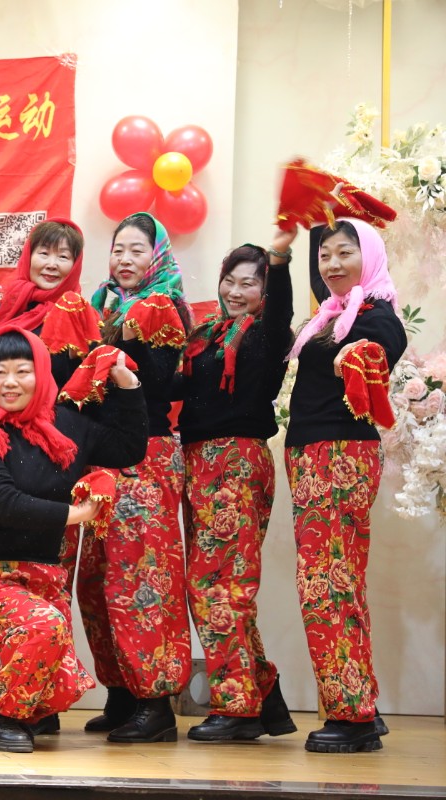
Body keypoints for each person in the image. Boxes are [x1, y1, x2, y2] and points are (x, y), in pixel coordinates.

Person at [0, 326, 146, 753]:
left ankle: (29, 710)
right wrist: (77, 515)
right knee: (45, 627)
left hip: (42, 575)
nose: (10, 382)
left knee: (63, 683)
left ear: (42, 373)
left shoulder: (67, 426)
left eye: (22, 371)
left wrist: (128, 384)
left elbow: (128, 449)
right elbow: (2, 503)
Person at [284, 218, 405, 754]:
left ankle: (351, 717)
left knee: (326, 585)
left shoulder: (375, 315)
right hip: (315, 454)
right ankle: (361, 705)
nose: (332, 264)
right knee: (339, 581)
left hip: (337, 456)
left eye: (344, 253)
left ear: (369, 257)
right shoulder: (333, 315)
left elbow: (383, 346)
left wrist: (357, 355)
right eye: (325, 255)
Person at [77, 212, 192, 743]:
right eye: (118, 249)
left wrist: (129, 344)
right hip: (104, 457)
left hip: (147, 455)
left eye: (137, 250)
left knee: (142, 577)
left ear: (157, 256)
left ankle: (156, 702)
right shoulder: (102, 305)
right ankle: (121, 691)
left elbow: (162, 384)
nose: (125, 259)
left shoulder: (162, 305)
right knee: (98, 579)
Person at [178, 233, 298, 742]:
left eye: (250, 283)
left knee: (219, 587)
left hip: (235, 462)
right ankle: (264, 695)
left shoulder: (267, 335)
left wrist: (280, 259)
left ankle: (238, 707)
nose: (235, 290)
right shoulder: (206, 336)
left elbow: (281, 307)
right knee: (213, 585)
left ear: (264, 292)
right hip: (197, 462)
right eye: (230, 279)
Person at [0, 218, 99, 389]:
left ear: (75, 266)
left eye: (63, 256)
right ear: (28, 256)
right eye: (44, 253)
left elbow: (85, 386)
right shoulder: (12, 306)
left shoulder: (81, 318)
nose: (51, 264)